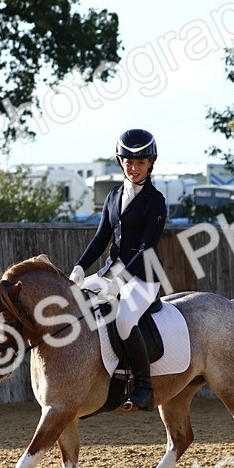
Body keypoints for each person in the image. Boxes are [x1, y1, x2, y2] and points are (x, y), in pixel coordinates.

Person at [69, 129, 167, 411]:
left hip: (143, 279)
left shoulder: (155, 201)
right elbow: (101, 237)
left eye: (140, 163)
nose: (133, 168)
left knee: (124, 319)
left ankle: (144, 389)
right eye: (128, 162)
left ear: (151, 163)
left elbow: (148, 248)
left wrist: (119, 281)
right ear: (120, 161)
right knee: (76, 302)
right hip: (111, 273)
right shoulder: (113, 195)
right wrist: (80, 267)